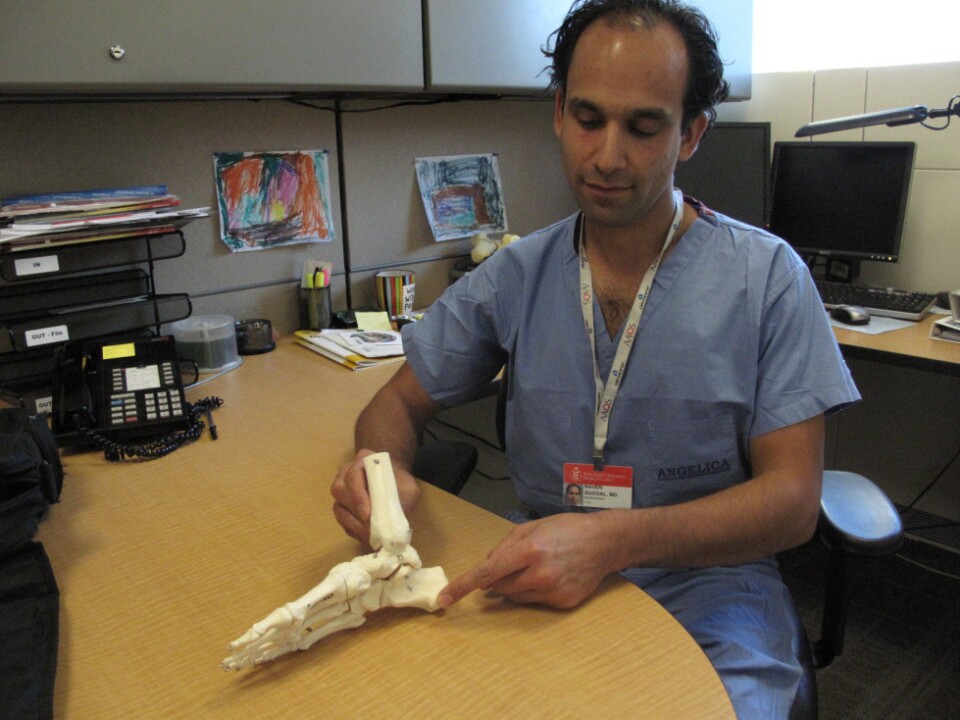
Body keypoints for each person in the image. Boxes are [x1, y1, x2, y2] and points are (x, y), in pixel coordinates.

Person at [332, 1, 860, 716]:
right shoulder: (517, 274)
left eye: (643, 127)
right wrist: (381, 470)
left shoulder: (766, 279)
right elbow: (392, 405)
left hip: (709, 587)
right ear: (558, 113)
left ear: (692, 132)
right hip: (536, 573)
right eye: (588, 119)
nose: (607, 156)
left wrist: (612, 542)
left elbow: (793, 504)